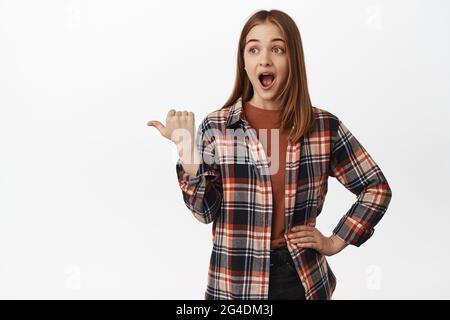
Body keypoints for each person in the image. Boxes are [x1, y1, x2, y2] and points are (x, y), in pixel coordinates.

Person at [147, 9, 392, 300]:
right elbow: (204, 212)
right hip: (234, 283)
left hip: (300, 280)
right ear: (244, 61)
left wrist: (336, 241)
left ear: (293, 60)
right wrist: (187, 151)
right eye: (254, 49)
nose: (264, 59)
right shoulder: (217, 127)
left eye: (277, 49)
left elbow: (375, 187)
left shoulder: (324, 127)